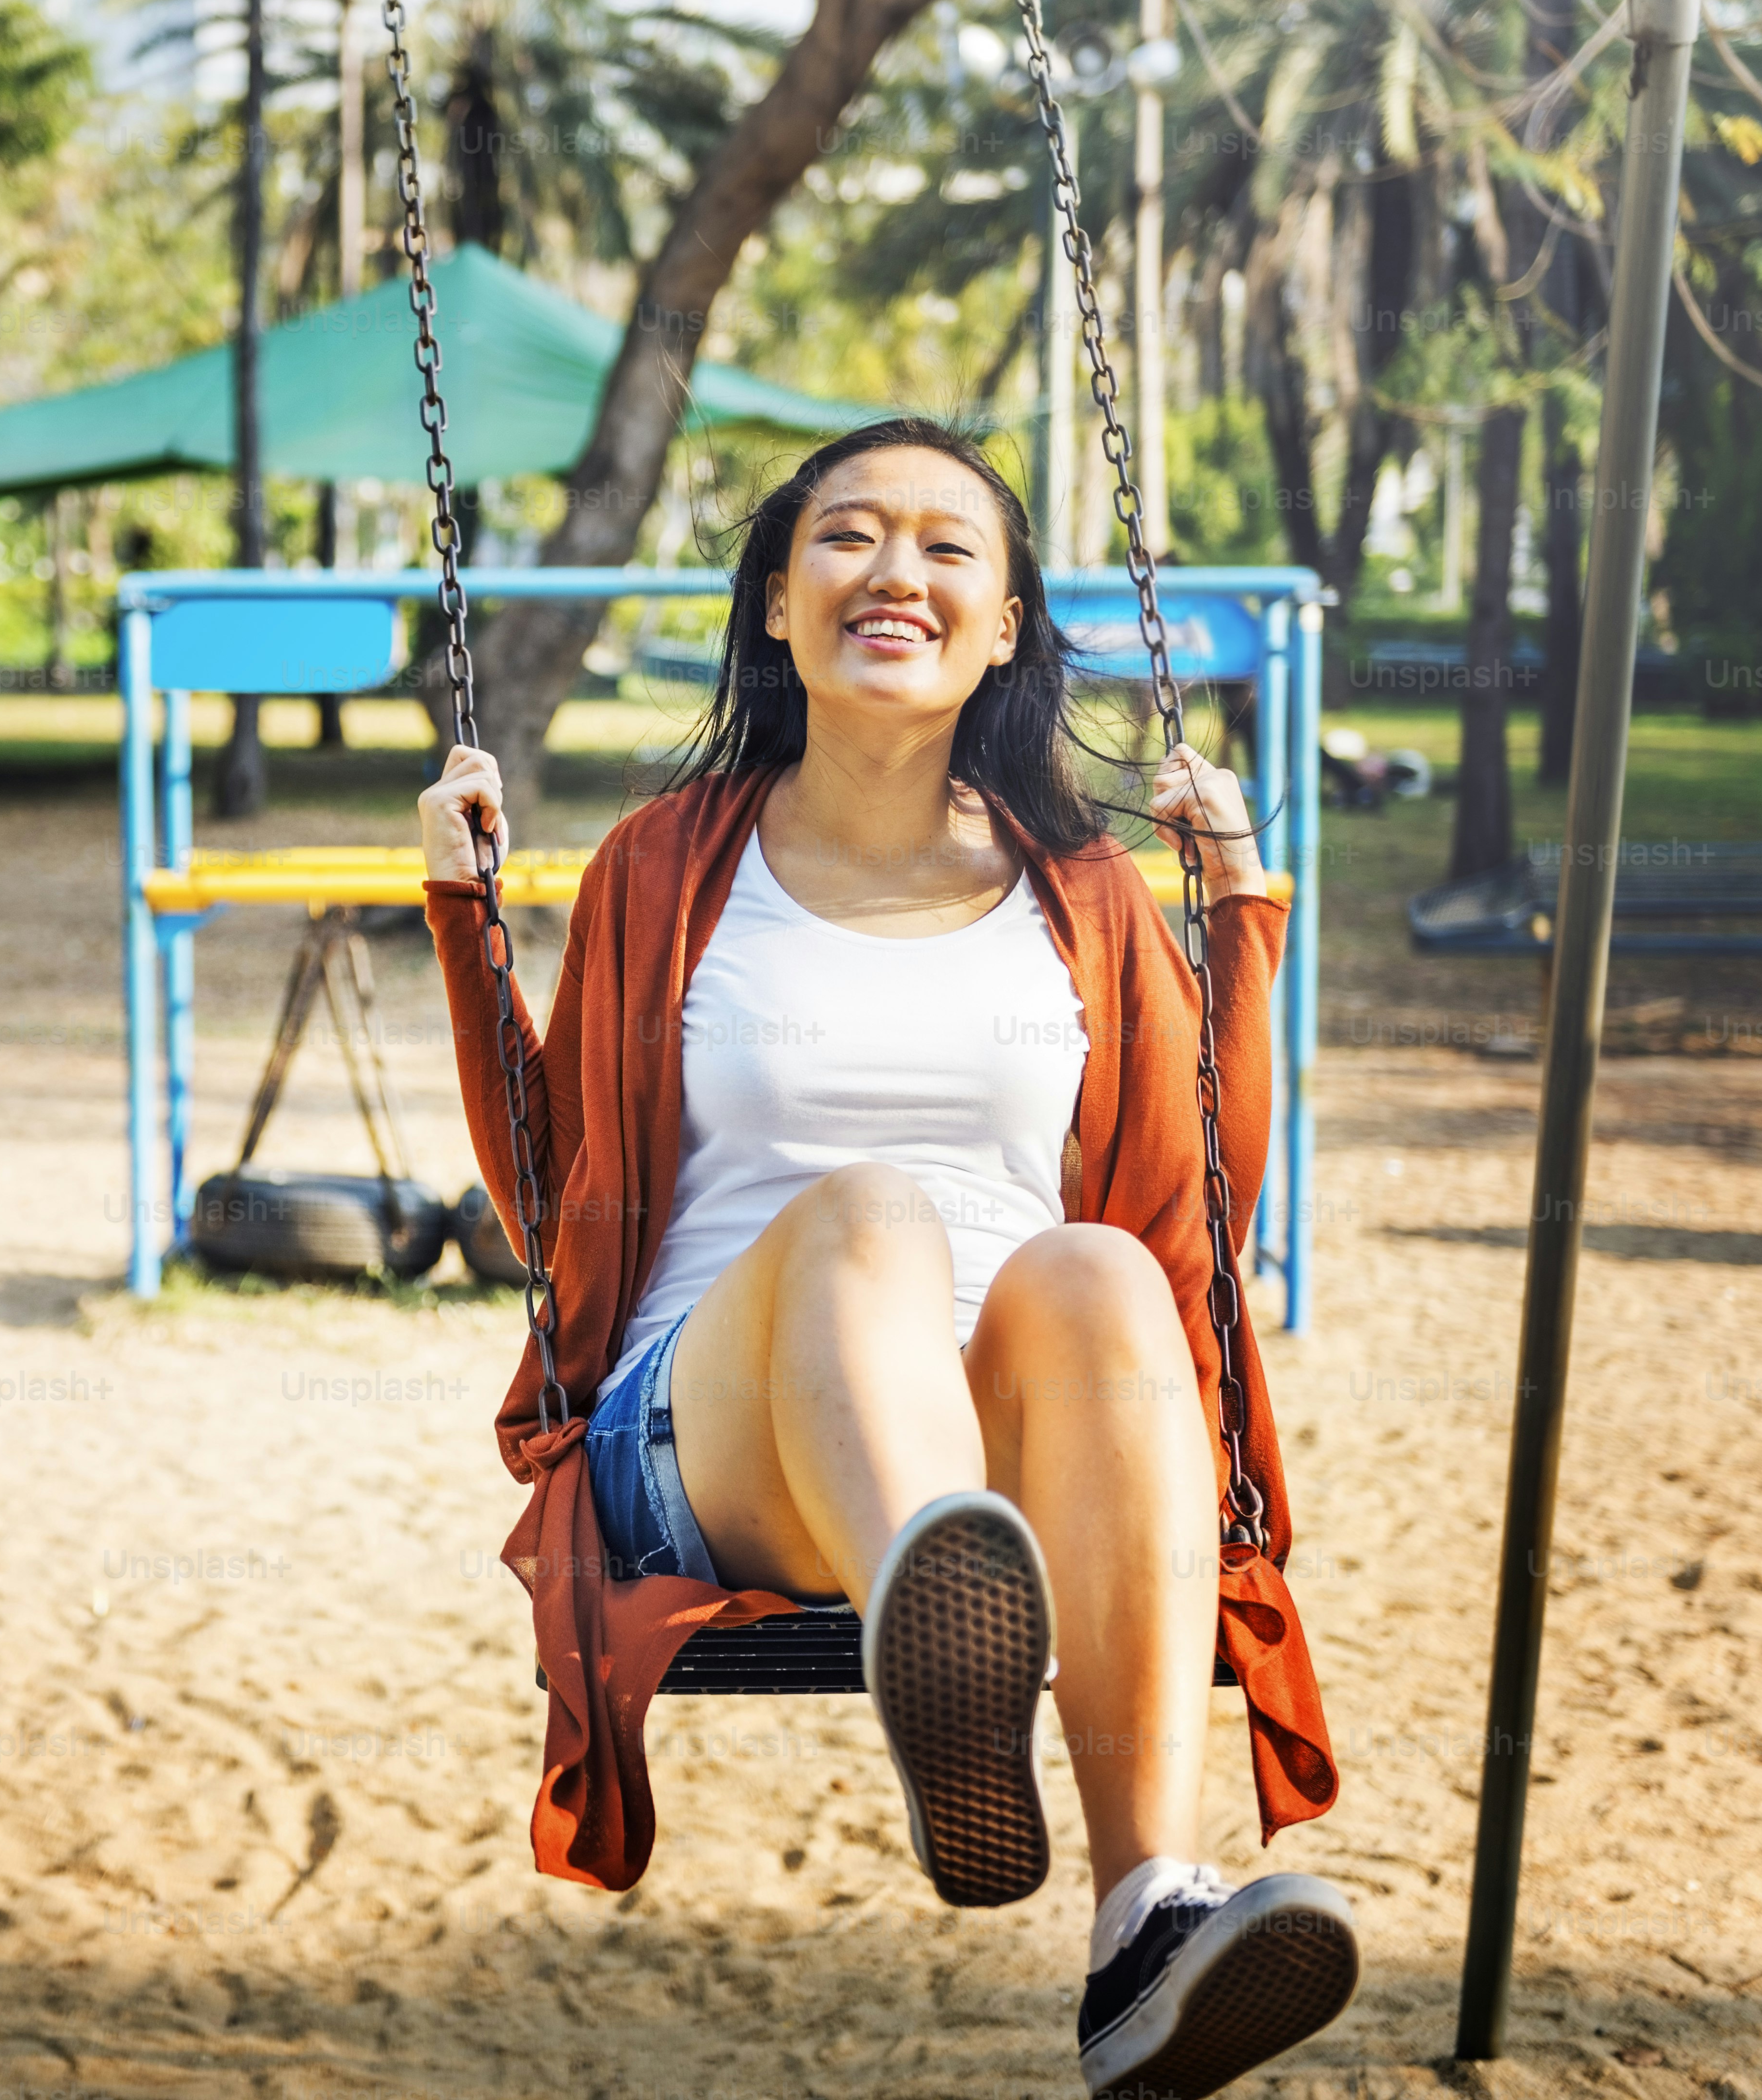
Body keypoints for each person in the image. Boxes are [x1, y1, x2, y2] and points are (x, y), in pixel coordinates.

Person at [418, 417, 1352, 2099]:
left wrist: (1240, 921)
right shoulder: (669, 864)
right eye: (847, 536)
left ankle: (1142, 1913)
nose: (894, 570)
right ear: (777, 601)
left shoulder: (1082, 887)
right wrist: (464, 921)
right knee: (868, 1213)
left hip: (1000, 1428)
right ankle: (948, 1611)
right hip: (708, 1429)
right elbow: (559, 1195)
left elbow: (1187, 1210)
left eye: (947, 547)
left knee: (1100, 1281)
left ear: (1002, 627)